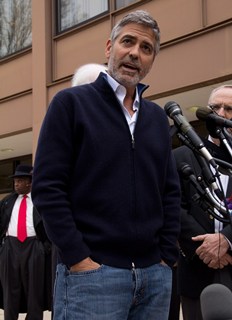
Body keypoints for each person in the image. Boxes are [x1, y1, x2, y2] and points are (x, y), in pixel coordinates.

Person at [31, 10, 181, 320]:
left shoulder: (155, 119)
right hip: (91, 277)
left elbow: (169, 191)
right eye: (128, 42)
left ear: (152, 60)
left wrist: (166, 257)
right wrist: (79, 259)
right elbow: (47, 188)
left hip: (155, 277)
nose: (135, 53)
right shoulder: (70, 104)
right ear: (109, 48)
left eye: (146, 48)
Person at [173, 84, 232, 320]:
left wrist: (227, 239)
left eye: (229, 108)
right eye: (214, 107)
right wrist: (206, 248)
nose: (221, 113)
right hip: (197, 270)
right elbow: (172, 207)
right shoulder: (181, 156)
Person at [0, 164, 52, 320]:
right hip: (10, 247)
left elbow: (50, 224)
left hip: (34, 246)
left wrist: (45, 247)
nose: (16, 184)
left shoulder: (40, 200)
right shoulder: (7, 201)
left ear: (30, 182)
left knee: (34, 289)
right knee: (10, 289)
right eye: (15, 181)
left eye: (20, 181)